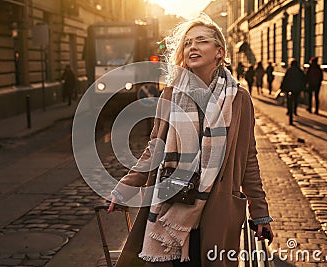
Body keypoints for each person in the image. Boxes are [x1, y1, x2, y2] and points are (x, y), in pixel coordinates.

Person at [108, 13, 274, 267]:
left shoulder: (239, 99)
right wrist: (125, 186)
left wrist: (260, 212)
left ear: (219, 52)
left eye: (201, 41)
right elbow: (154, 149)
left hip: (217, 205)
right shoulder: (171, 94)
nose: (192, 47)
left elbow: (248, 158)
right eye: (187, 43)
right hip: (172, 202)